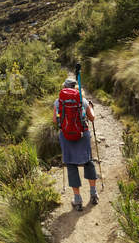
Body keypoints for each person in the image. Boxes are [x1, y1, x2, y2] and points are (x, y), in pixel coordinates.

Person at [54, 79, 98, 210]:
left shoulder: (58, 102)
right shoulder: (82, 101)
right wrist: (90, 106)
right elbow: (92, 118)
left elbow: (55, 120)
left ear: (64, 88)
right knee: (88, 162)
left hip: (66, 136)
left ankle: (77, 200)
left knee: (71, 164)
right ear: (76, 88)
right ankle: (93, 194)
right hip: (82, 135)